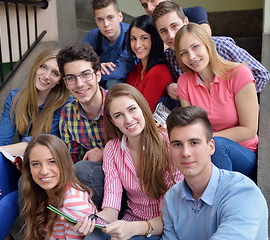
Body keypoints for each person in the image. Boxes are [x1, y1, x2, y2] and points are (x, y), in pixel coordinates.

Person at [0, 49, 72, 240]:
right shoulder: (16, 97)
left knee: (8, 199)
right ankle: (5, 234)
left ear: (60, 80)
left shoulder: (65, 104)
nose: (46, 76)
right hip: (21, 164)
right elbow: (1, 141)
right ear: (36, 66)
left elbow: (37, 143)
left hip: (45, 169)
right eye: (43, 67)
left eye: (55, 73)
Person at [78, 83, 184, 240]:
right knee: (91, 237)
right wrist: (92, 221)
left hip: (162, 226)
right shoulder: (112, 149)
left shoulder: (169, 145)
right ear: (113, 121)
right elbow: (111, 206)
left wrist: (134, 229)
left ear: (142, 108)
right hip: (129, 221)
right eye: (118, 115)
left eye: (132, 109)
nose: (128, 120)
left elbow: (172, 215)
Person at [163, 106, 268, 239]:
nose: (186, 153)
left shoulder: (242, 191)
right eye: (177, 144)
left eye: (194, 143)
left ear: (211, 147)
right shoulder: (171, 198)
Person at [175, 23, 259, 180]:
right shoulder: (184, 82)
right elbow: (191, 127)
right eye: (184, 53)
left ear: (208, 45)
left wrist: (208, 139)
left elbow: (249, 129)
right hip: (205, 153)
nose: (191, 57)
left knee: (219, 146)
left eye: (195, 47)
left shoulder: (239, 74)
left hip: (243, 154)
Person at [152, 1, 270, 109]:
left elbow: (261, 74)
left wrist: (236, 98)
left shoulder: (221, 46)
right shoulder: (169, 56)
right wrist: (168, 88)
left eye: (174, 26)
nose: (171, 35)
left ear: (186, 22)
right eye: (163, 31)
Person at [57, 43, 107, 209]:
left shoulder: (119, 105)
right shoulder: (68, 114)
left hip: (126, 181)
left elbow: (140, 149)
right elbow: (72, 157)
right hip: (91, 184)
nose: (79, 84)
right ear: (65, 83)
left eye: (86, 75)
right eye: (71, 78)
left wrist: (106, 153)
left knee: (83, 169)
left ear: (98, 75)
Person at [21, 134, 97, 240]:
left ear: (64, 163)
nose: (44, 171)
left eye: (52, 162)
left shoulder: (73, 202)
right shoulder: (38, 192)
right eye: (35, 164)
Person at [82, 0, 134, 89]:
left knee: (112, 84)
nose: (106, 24)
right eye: (100, 19)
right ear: (95, 21)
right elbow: (78, 59)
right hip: (99, 77)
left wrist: (93, 72)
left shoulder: (131, 35)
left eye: (110, 17)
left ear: (120, 16)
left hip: (128, 80)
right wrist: (96, 66)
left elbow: (121, 70)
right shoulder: (94, 35)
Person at [126, 15, 172, 111]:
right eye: (133, 39)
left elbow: (146, 112)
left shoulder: (158, 72)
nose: (137, 45)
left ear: (154, 39)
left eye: (144, 38)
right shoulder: (135, 71)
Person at [139, 0, 212, 36]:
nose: (150, 8)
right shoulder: (148, 25)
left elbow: (206, 36)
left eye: (152, 0)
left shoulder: (195, 11)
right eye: (145, 5)